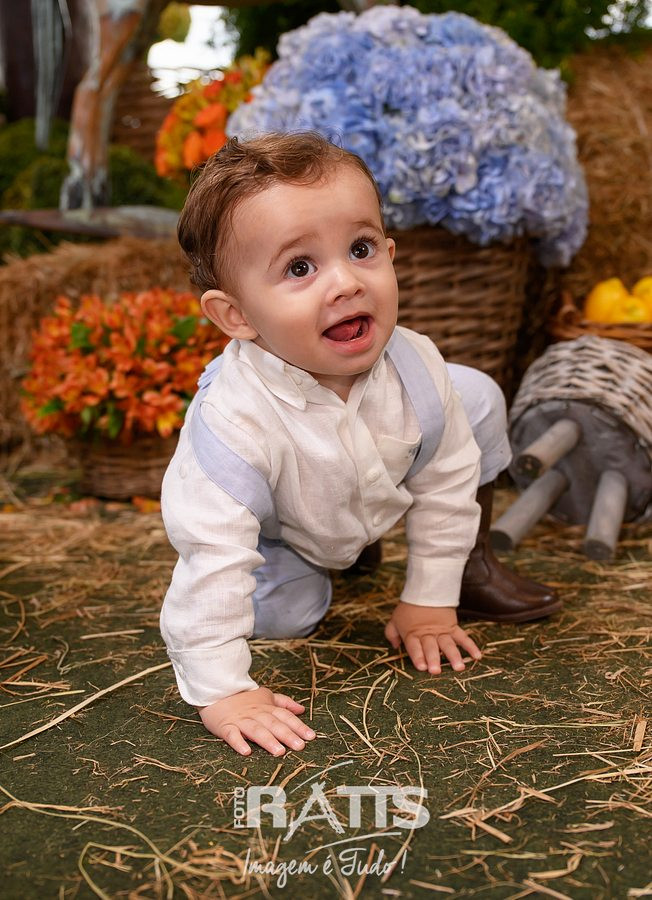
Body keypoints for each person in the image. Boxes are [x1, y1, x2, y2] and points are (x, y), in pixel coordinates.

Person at [160, 132, 560, 758]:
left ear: (391, 254)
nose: (346, 282)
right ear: (236, 316)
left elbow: (448, 483)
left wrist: (429, 600)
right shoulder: (231, 424)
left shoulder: (416, 364)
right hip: (286, 529)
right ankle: (331, 555)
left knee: (474, 395)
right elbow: (212, 554)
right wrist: (224, 690)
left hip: (372, 481)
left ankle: (466, 566)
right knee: (286, 617)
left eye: (361, 248)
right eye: (300, 268)